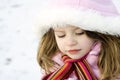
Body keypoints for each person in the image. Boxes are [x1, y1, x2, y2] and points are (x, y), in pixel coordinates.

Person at [36, 0, 120, 80]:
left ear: (99, 33)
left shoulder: (112, 64)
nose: (70, 43)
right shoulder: (54, 65)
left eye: (80, 33)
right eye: (61, 35)